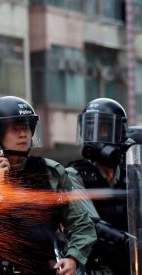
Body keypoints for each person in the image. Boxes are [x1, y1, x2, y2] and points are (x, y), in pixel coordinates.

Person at [0, 96, 96, 275]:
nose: (23, 134)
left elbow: (81, 224)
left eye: (27, 127)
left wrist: (73, 258)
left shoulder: (52, 172)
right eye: (15, 128)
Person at [67, 98, 131, 275]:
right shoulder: (74, 175)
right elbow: (89, 223)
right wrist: (128, 241)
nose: (93, 138)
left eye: (102, 129)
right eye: (89, 130)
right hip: (94, 267)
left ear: (119, 133)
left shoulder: (132, 173)